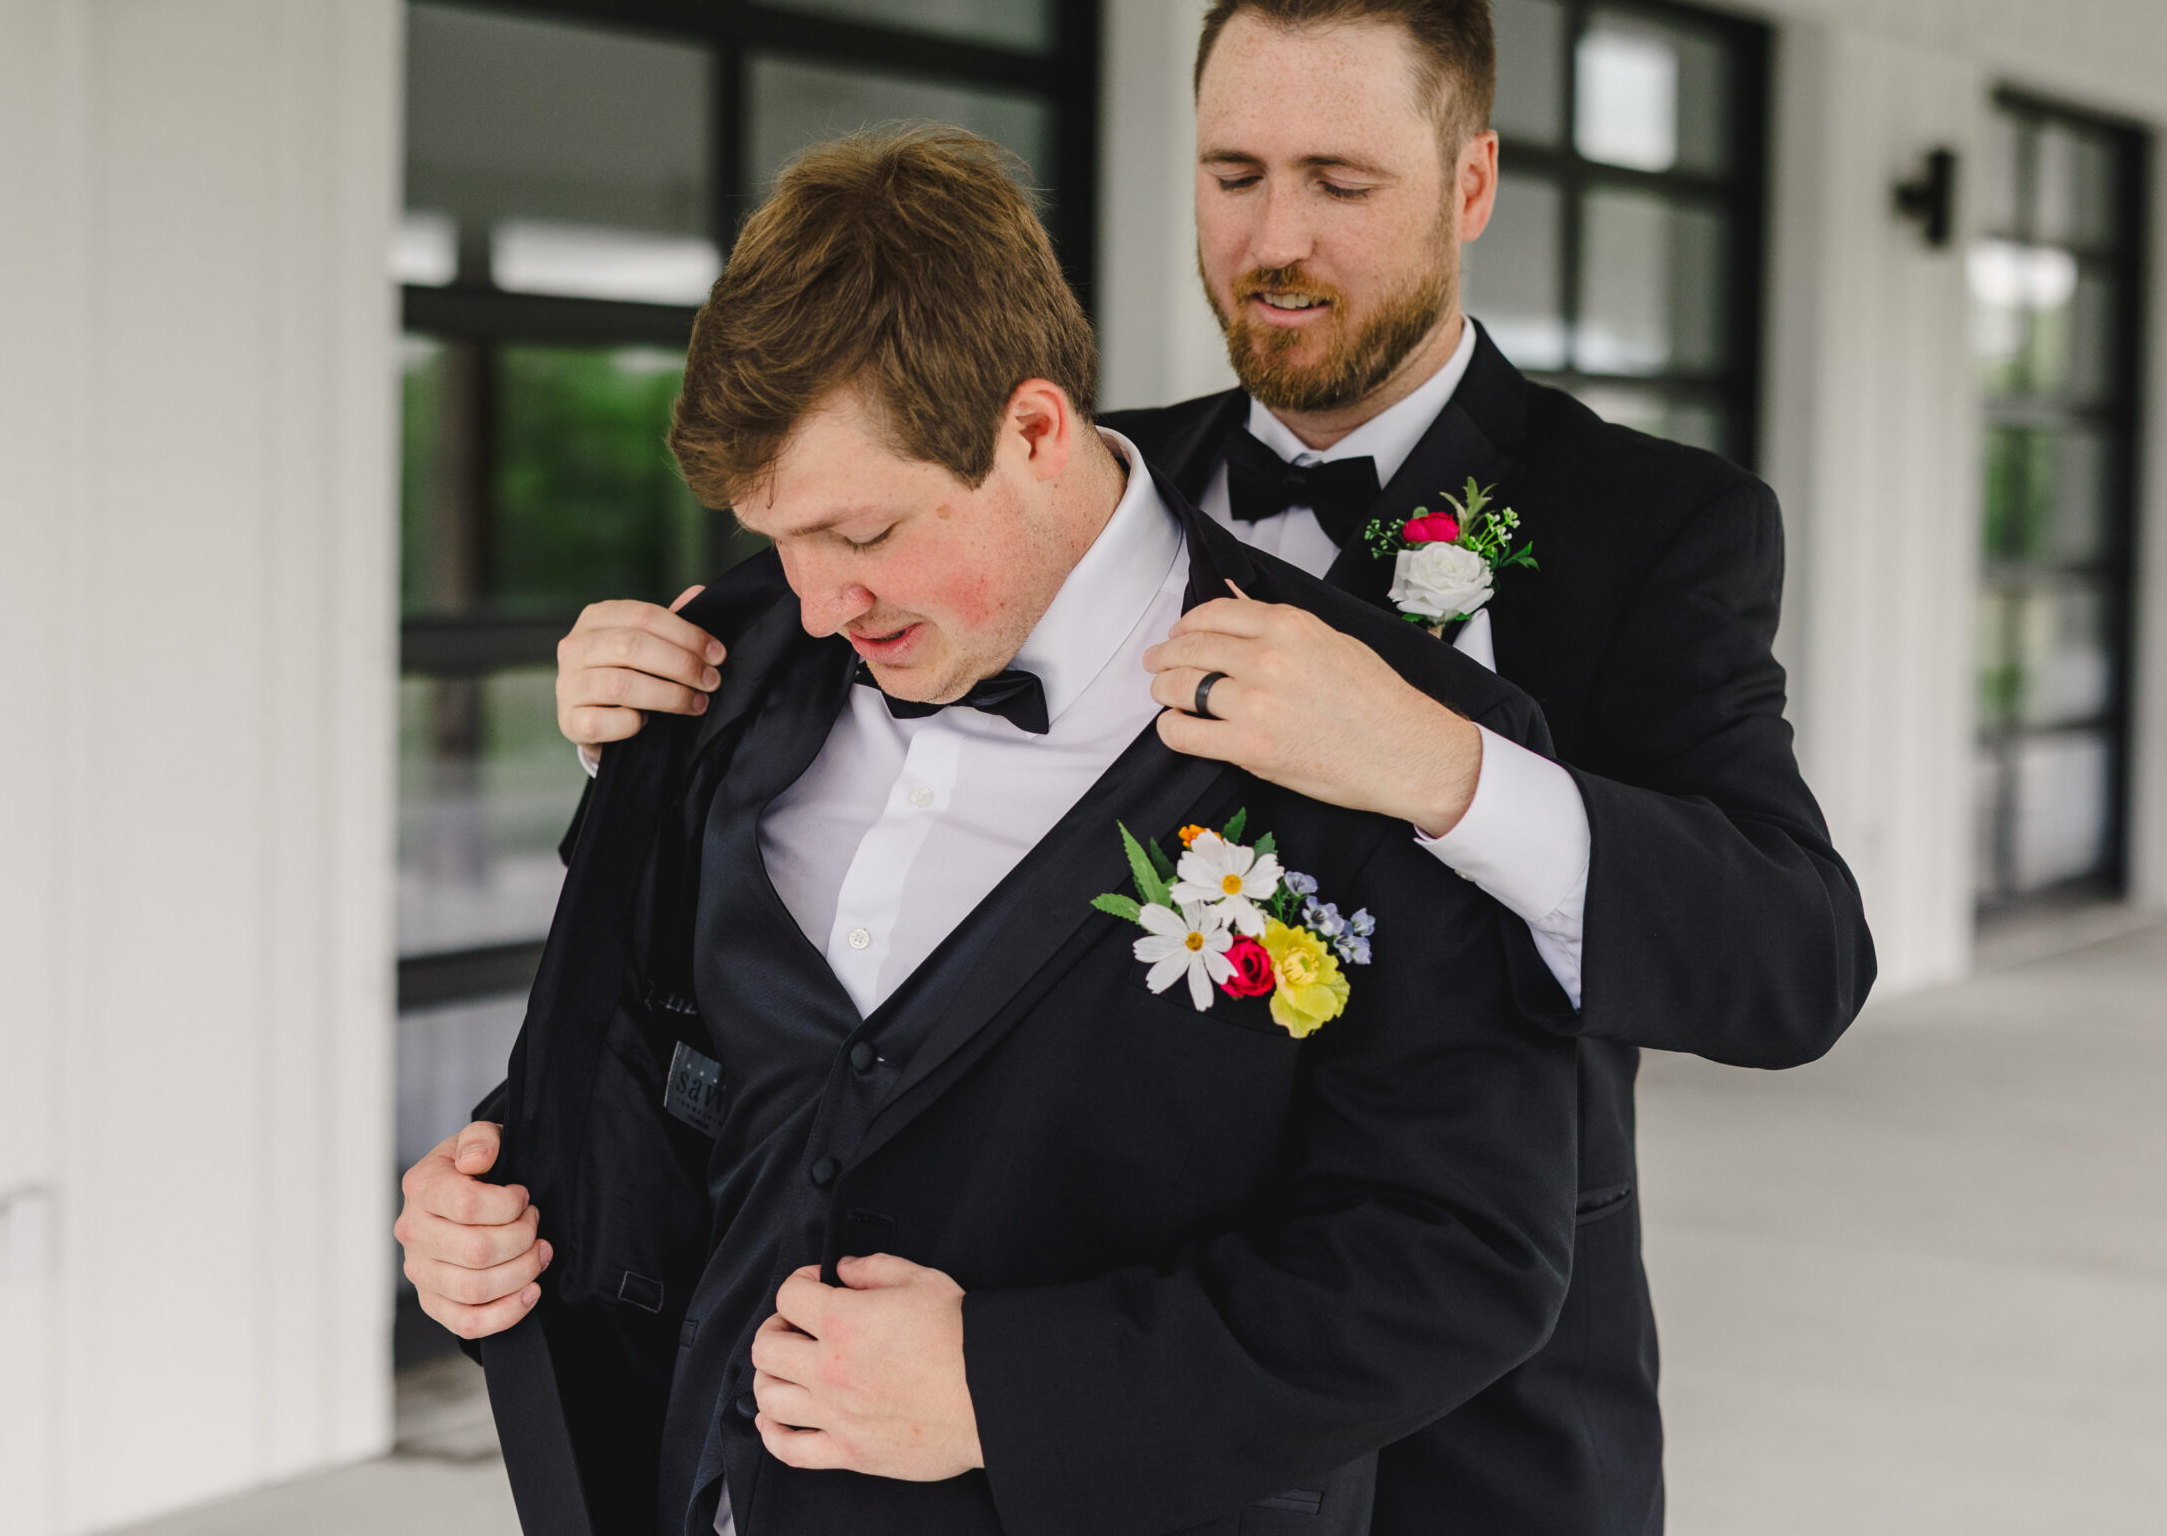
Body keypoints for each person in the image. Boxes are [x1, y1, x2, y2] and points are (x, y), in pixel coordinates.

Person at [442, 0, 1875, 1535]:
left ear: (1470, 184)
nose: (1276, 239)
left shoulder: (1647, 528)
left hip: (1466, 1428)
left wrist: (1444, 771)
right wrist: (646, 724)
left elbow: (1793, 960)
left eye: (1341, 183)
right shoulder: (1042, 491)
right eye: (1232, 173)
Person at [407, 125, 1582, 1536]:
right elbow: (675, 1079)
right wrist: (497, 1209)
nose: (818, 599)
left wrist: (1005, 1390)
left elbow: (1463, 1262)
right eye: (779, 536)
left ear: (1032, 431)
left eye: (863, 534)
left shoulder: (1393, 733)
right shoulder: (728, 658)